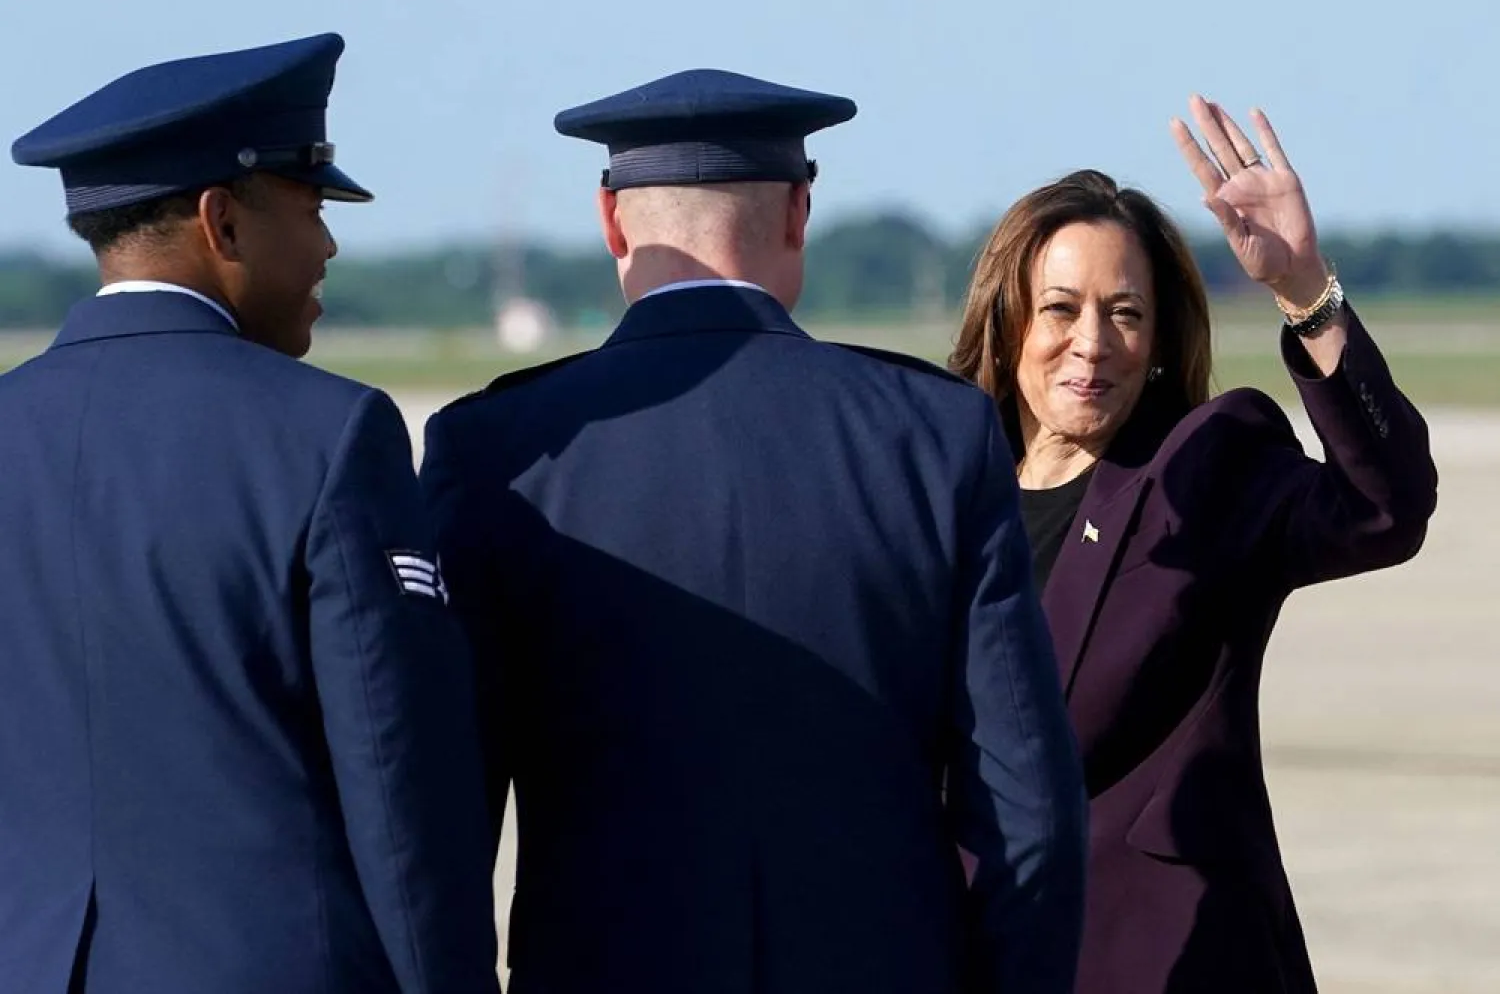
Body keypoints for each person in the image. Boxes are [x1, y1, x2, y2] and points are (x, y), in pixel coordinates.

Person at [419, 68, 1088, 994]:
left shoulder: (496, 449)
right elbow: (1032, 816)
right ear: (799, 212)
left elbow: (443, 821)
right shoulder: (934, 433)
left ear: (611, 221)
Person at [2, 34, 499, 994]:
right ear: (220, 220)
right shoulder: (327, 434)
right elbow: (399, 783)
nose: (328, 244)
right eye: (312, 205)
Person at [947, 94, 1440, 993]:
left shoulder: (1202, 472)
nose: (1090, 344)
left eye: (1126, 313)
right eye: (1060, 307)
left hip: (1169, 961)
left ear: (1162, 338)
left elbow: (1388, 506)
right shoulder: (941, 500)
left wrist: (1306, 291)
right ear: (1006, 318)